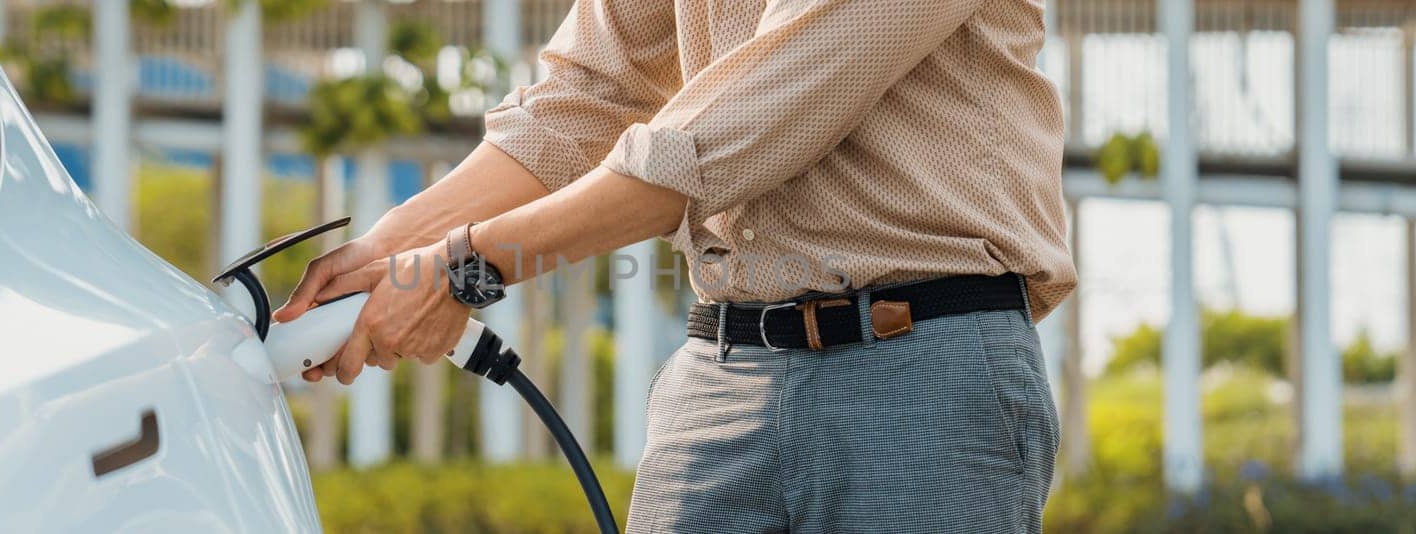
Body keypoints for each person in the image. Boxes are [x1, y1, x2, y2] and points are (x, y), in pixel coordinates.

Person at [275, 0, 1075, 531]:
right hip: (722, 373)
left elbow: (747, 125)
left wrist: (463, 270)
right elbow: (583, 97)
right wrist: (386, 252)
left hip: (920, 374)